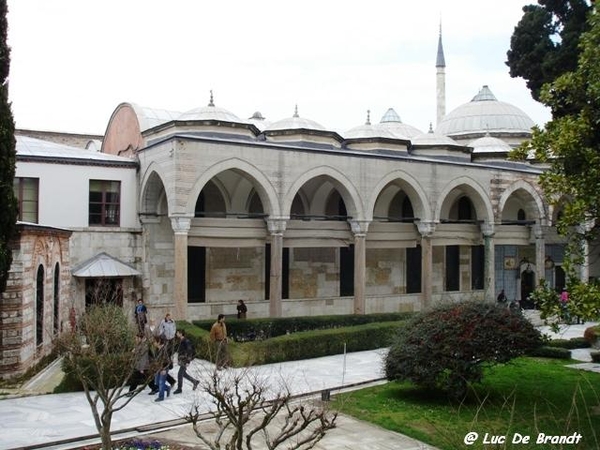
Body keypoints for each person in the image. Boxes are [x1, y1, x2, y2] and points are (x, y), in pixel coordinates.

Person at [173, 329, 199, 394]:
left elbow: (190, 351)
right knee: (183, 374)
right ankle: (195, 381)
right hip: (182, 359)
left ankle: (179, 389)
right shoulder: (181, 341)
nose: (176, 334)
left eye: (178, 333)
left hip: (185, 360)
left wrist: (188, 361)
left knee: (180, 374)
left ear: (181, 334)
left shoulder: (186, 341)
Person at [152, 336, 172, 402]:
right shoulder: (157, 349)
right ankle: (167, 388)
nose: (154, 343)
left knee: (161, 382)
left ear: (159, 342)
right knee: (157, 382)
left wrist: (164, 369)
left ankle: (161, 397)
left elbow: (168, 361)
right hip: (158, 368)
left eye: (155, 341)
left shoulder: (164, 350)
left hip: (164, 368)